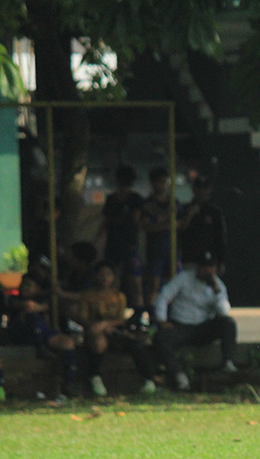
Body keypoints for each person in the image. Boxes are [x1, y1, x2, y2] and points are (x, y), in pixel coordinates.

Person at [152, 250, 237, 391]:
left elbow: (223, 312)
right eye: (204, 267)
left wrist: (216, 290)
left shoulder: (218, 285)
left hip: (203, 327)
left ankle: (228, 363)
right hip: (181, 326)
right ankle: (179, 375)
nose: (208, 271)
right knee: (160, 338)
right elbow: (163, 297)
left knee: (228, 323)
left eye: (211, 267)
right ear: (198, 267)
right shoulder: (183, 278)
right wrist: (162, 320)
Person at [78, 261, 157, 396]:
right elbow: (84, 320)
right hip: (96, 333)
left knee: (136, 344)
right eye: (101, 274)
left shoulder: (119, 296)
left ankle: (148, 380)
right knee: (99, 342)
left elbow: (122, 319)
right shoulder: (88, 296)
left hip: (115, 331)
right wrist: (101, 327)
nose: (104, 278)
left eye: (108, 274)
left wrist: (107, 324)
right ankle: (94, 377)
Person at [6, 273, 78, 399]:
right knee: (32, 317)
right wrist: (30, 307)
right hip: (23, 335)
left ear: (38, 289)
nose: (24, 288)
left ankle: (68, 384)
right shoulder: (14, 299)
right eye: (23, 284)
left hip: (44, 334)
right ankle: (40, 348)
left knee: (67, 343)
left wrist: (41, 307)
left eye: (29, 285)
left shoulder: (42, 300)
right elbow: (21, 305)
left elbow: (46, 305)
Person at [101, 165, 145, 309]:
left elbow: (135, 220)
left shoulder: (136, 199)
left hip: (129, 245)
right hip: (113, 244)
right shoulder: (111, 199)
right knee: (112, 281)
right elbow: (107, 221)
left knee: (134, 281)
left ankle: (139, 314)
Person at [142, 166, 183, 307]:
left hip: (171, 248)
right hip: (155, 249)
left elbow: (179, 223)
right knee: (154, 284)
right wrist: (168, 222)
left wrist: (165, 222)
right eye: (159, 182)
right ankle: (152, 315)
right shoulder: (148, 204)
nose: (163, 185)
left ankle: (173, 312)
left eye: (165, 182)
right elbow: (148, 227)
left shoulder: (173, 202)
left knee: (174, 282)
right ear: (153, 183)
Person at [180, 176, 227, 272]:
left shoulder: (215, 212)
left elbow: (220, 237)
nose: (202, 192)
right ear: (193, 189)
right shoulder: (184, 209)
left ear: (209, 190)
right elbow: (180, 232)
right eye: (199, 188)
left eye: (205, 188)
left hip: (209, 260)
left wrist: (221, 261)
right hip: (189, 259)